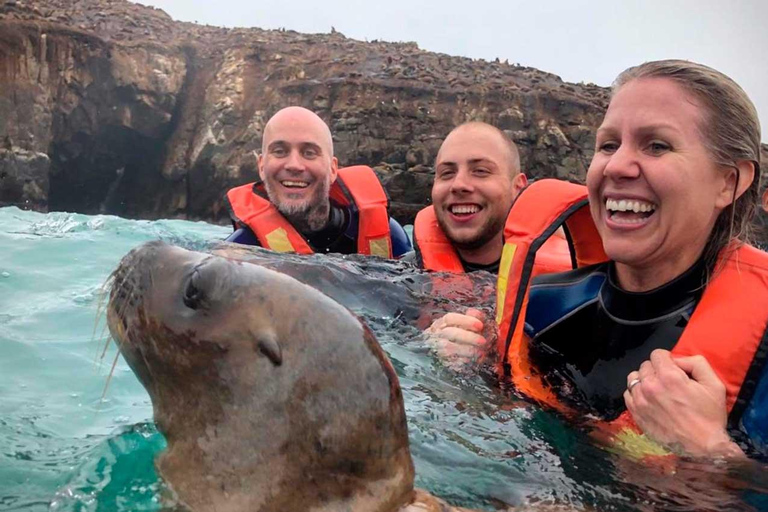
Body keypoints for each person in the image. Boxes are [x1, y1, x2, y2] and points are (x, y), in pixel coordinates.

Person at [430, 60, 768, 460]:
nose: (617, 166)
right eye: (608, 145)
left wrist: (712, 452)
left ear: (729, 181)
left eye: (657, 145)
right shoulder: (537, 307)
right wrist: (461, 370)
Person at [224, 106, 412, 258]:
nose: (294, 165)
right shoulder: (240, 255)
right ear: (262, 167)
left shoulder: (389, 237)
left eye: (309, 153)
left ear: (332, 170)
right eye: (280, 151)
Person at [411, 122, 571, 274]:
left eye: (480, 171)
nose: (458, 185)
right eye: (447, 173)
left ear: (517, 187)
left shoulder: (569, 284)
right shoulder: (400, 278)